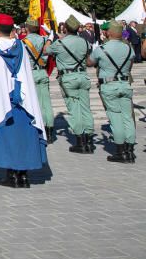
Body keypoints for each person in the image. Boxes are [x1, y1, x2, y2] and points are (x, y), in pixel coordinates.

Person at [0, 14, 48, 188]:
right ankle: (23, 175)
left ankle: (12, 174)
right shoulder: (22, 47)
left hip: (2, 102)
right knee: (24, 136)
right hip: (23, 99)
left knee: (7, 138)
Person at [90, 21, 135, 163]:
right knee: (127, 117)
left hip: (109, 86)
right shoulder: (128, 48)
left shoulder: (102, 49)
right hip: (125, 84)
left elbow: (89, 62)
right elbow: (130, 65)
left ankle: (120, 151)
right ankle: (130, 150)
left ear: (109, 33)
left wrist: (95, 50)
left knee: (115, 118)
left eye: (106, 31)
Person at [48, 16, 95, 154]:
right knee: (86, 107)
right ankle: (89, 139)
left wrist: (51, 38)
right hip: (83, 75)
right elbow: (89, 58)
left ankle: (81, 142)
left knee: (74, 109)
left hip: (68, 77)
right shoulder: (85, 42)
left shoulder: (60, 43)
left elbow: (46, 51)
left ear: (65, 28)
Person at [21, 19, 55, 142]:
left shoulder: (23, 42)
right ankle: (50, 131)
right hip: (43, 71)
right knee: (46, 102)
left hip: (31, 73)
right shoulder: (45, 40)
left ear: (27, 28)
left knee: (34, 103)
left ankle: (39, 130)